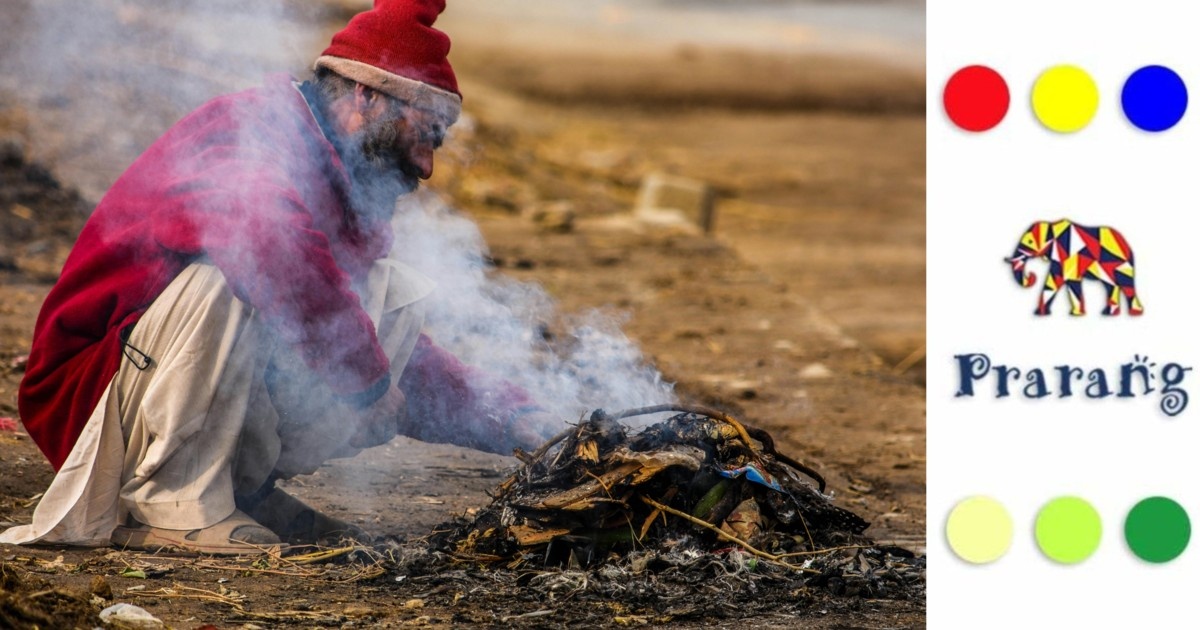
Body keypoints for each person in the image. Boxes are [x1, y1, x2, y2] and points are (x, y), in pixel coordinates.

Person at [0, 0, 559, 554]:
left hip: (143, 380)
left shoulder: (335, 174)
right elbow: (277, 254)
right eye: (427, 131)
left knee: (390, 296)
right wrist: (365, 379)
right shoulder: (247, 128)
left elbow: (376, 347)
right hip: (88, 400)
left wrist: (511, 419)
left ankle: (235, 489)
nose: (427, 164)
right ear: (366, 93)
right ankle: (171, 497)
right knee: (240, 261)